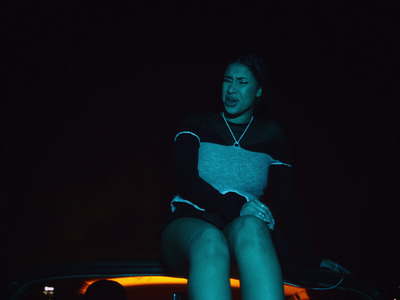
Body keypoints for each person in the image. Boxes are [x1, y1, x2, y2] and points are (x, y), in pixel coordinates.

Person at [160, 54, 348, 300]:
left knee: (254, 226)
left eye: (242, 82)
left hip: (236, 229)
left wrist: (311, 259)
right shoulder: (198, 122)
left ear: (258, 90)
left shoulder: (272, 135)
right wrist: (237, 208)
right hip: (188, 225)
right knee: (210, 240)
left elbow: (287, 204)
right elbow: (187, 180)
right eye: (227, 80)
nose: (231, 89)